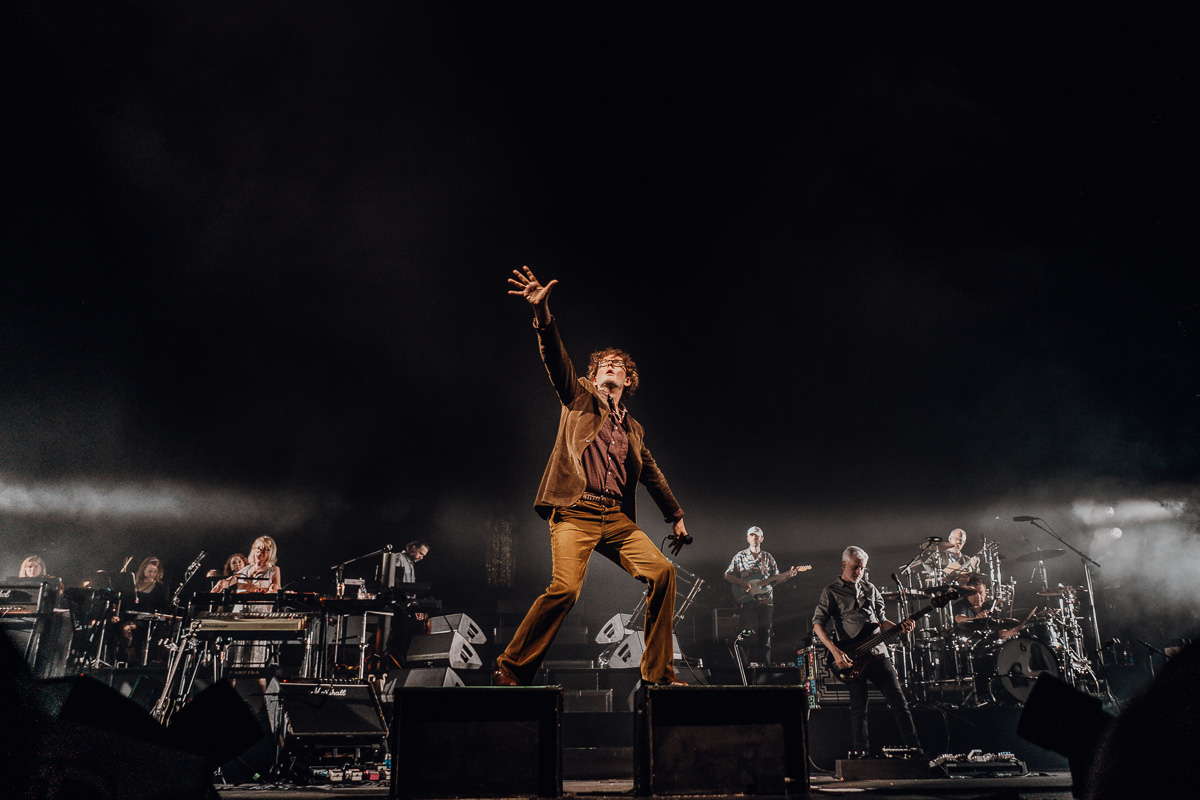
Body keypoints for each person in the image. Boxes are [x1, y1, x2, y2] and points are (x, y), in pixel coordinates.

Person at [495, 266, 691, 687]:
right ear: (595, 374)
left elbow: (652, 474)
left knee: (663, 573)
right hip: (575, 512)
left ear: (627, 380)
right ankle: (511, 669)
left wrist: (675, 516)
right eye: (605, 363)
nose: (612, 366)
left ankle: (658, 675)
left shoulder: (633, 429)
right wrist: (542, 313)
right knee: (565, 590)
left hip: (615, 519)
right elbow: (555, 358)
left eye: (619, 365)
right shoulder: (579, 395)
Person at [813, 546, 922, 757]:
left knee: (899, 702)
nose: (858, 572)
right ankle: (861, 753)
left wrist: (900, 627)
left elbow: (882, 622)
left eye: (862, 568)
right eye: (855, 567)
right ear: (844, 565)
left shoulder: (870, 589)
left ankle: (915, 749)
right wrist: (836, 652)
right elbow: (818, 625)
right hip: (852, 656)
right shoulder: (831, 591)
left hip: (878, 652)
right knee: (859, 707)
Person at [724, 526, 801, 666]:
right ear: (747, 538)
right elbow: (727, 575)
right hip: (747, 601)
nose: (754, 538)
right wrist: (742, 582)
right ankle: (744, 669)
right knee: (745, 636)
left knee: (765, 636)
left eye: (757, 536)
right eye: (752, 535)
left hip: (766, 602)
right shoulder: (740, 556)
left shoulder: (768, 557)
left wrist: (788, 576)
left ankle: (766, 668)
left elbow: (776, 579)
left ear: (762, 539)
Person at [385, 541, 431, 667]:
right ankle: (393, 665)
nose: (421, 557)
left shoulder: (410, 563)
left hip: (406, 606)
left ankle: (402, 663)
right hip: (397, 607)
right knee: (397, 636)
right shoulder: (398, 558)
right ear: (413, 548)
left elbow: (411, 589)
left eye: (424, 555)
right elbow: (394, 583)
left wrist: (415, 607)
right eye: (420, 553)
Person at [954, 576, 1021, 640]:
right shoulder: (960, 605)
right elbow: (959, 618)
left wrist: (1010, 633)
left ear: (985, 593)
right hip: (968, 644)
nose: (978, 597)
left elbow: (999, 632)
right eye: (973, 593)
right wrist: (976, 620)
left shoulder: (990, 608)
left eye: (981, 593)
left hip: (988, 644)